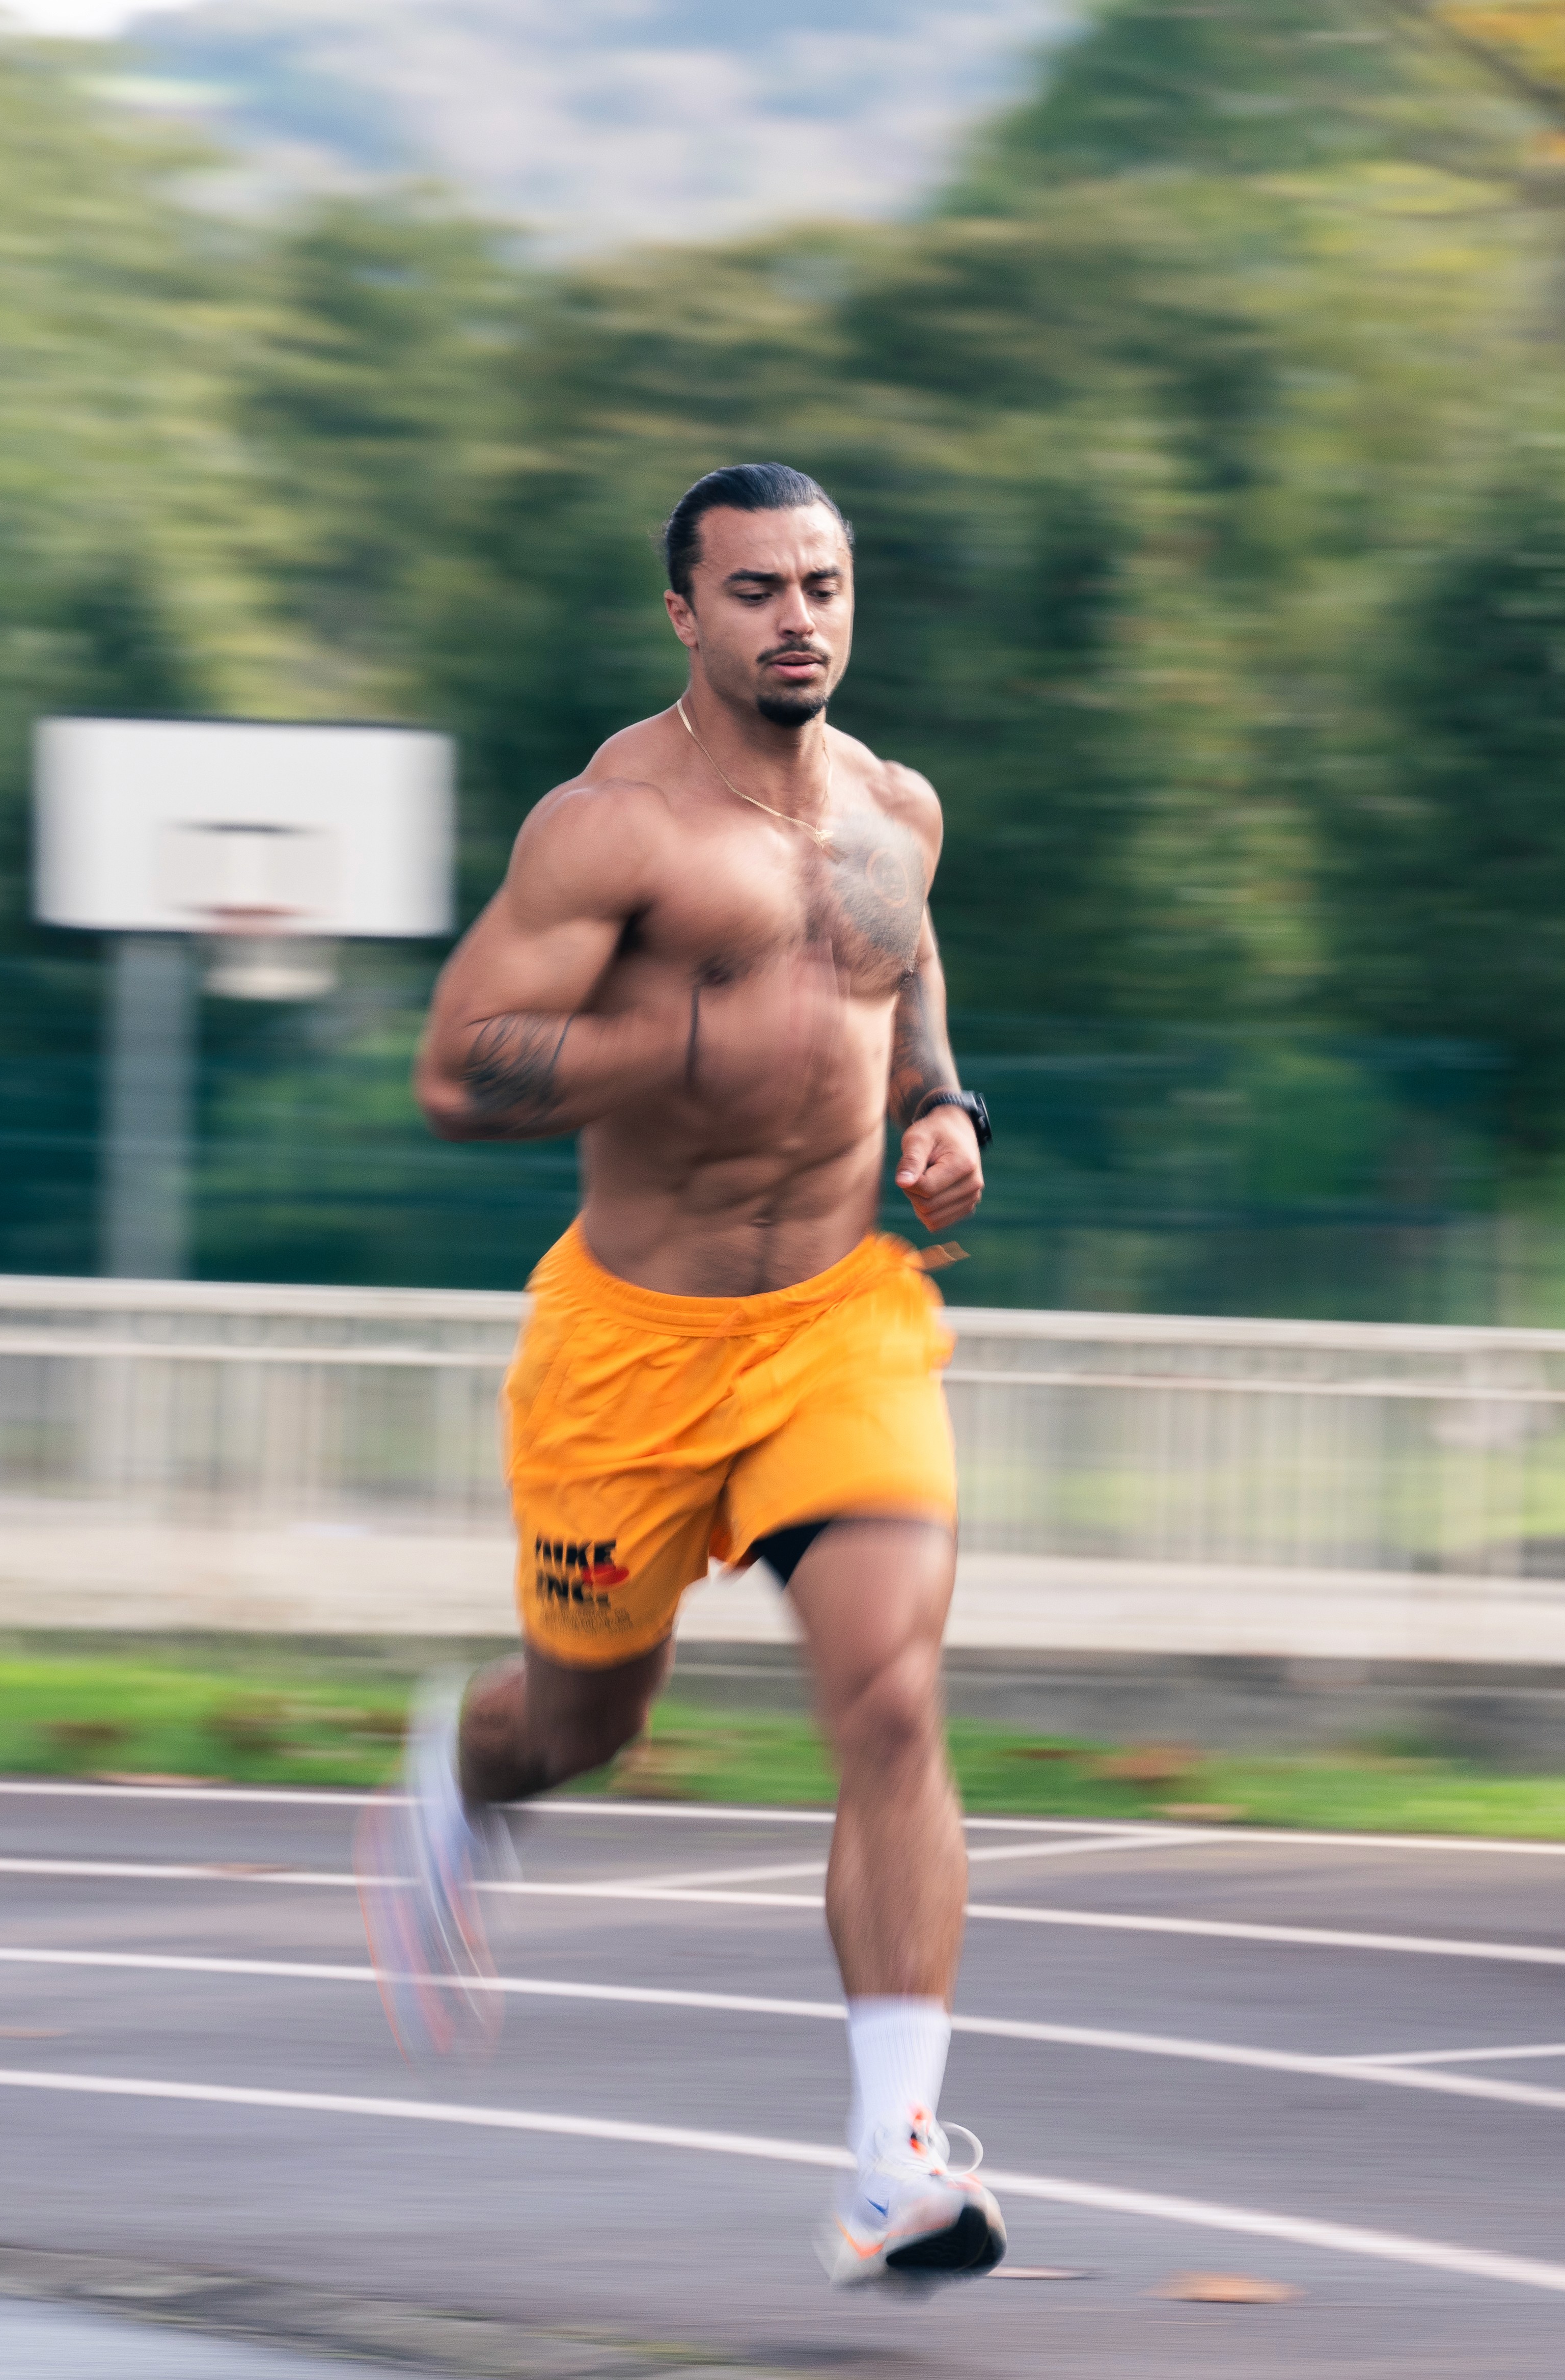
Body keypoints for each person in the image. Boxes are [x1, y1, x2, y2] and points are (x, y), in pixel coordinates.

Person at [363, 461, 1003, 2289]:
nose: (797, 617)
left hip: (832, 1328)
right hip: (631, 1354)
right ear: (685, 615)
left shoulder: (898, 810)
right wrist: (667, 1035)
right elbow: (456, 1065)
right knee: (586, 1730)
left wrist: (941, 1102)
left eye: (823, 584)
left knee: (890, 1696)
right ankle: (460, 1778)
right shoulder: (610, 826)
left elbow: (910, 972)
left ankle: (892, 2160)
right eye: (755, 591)